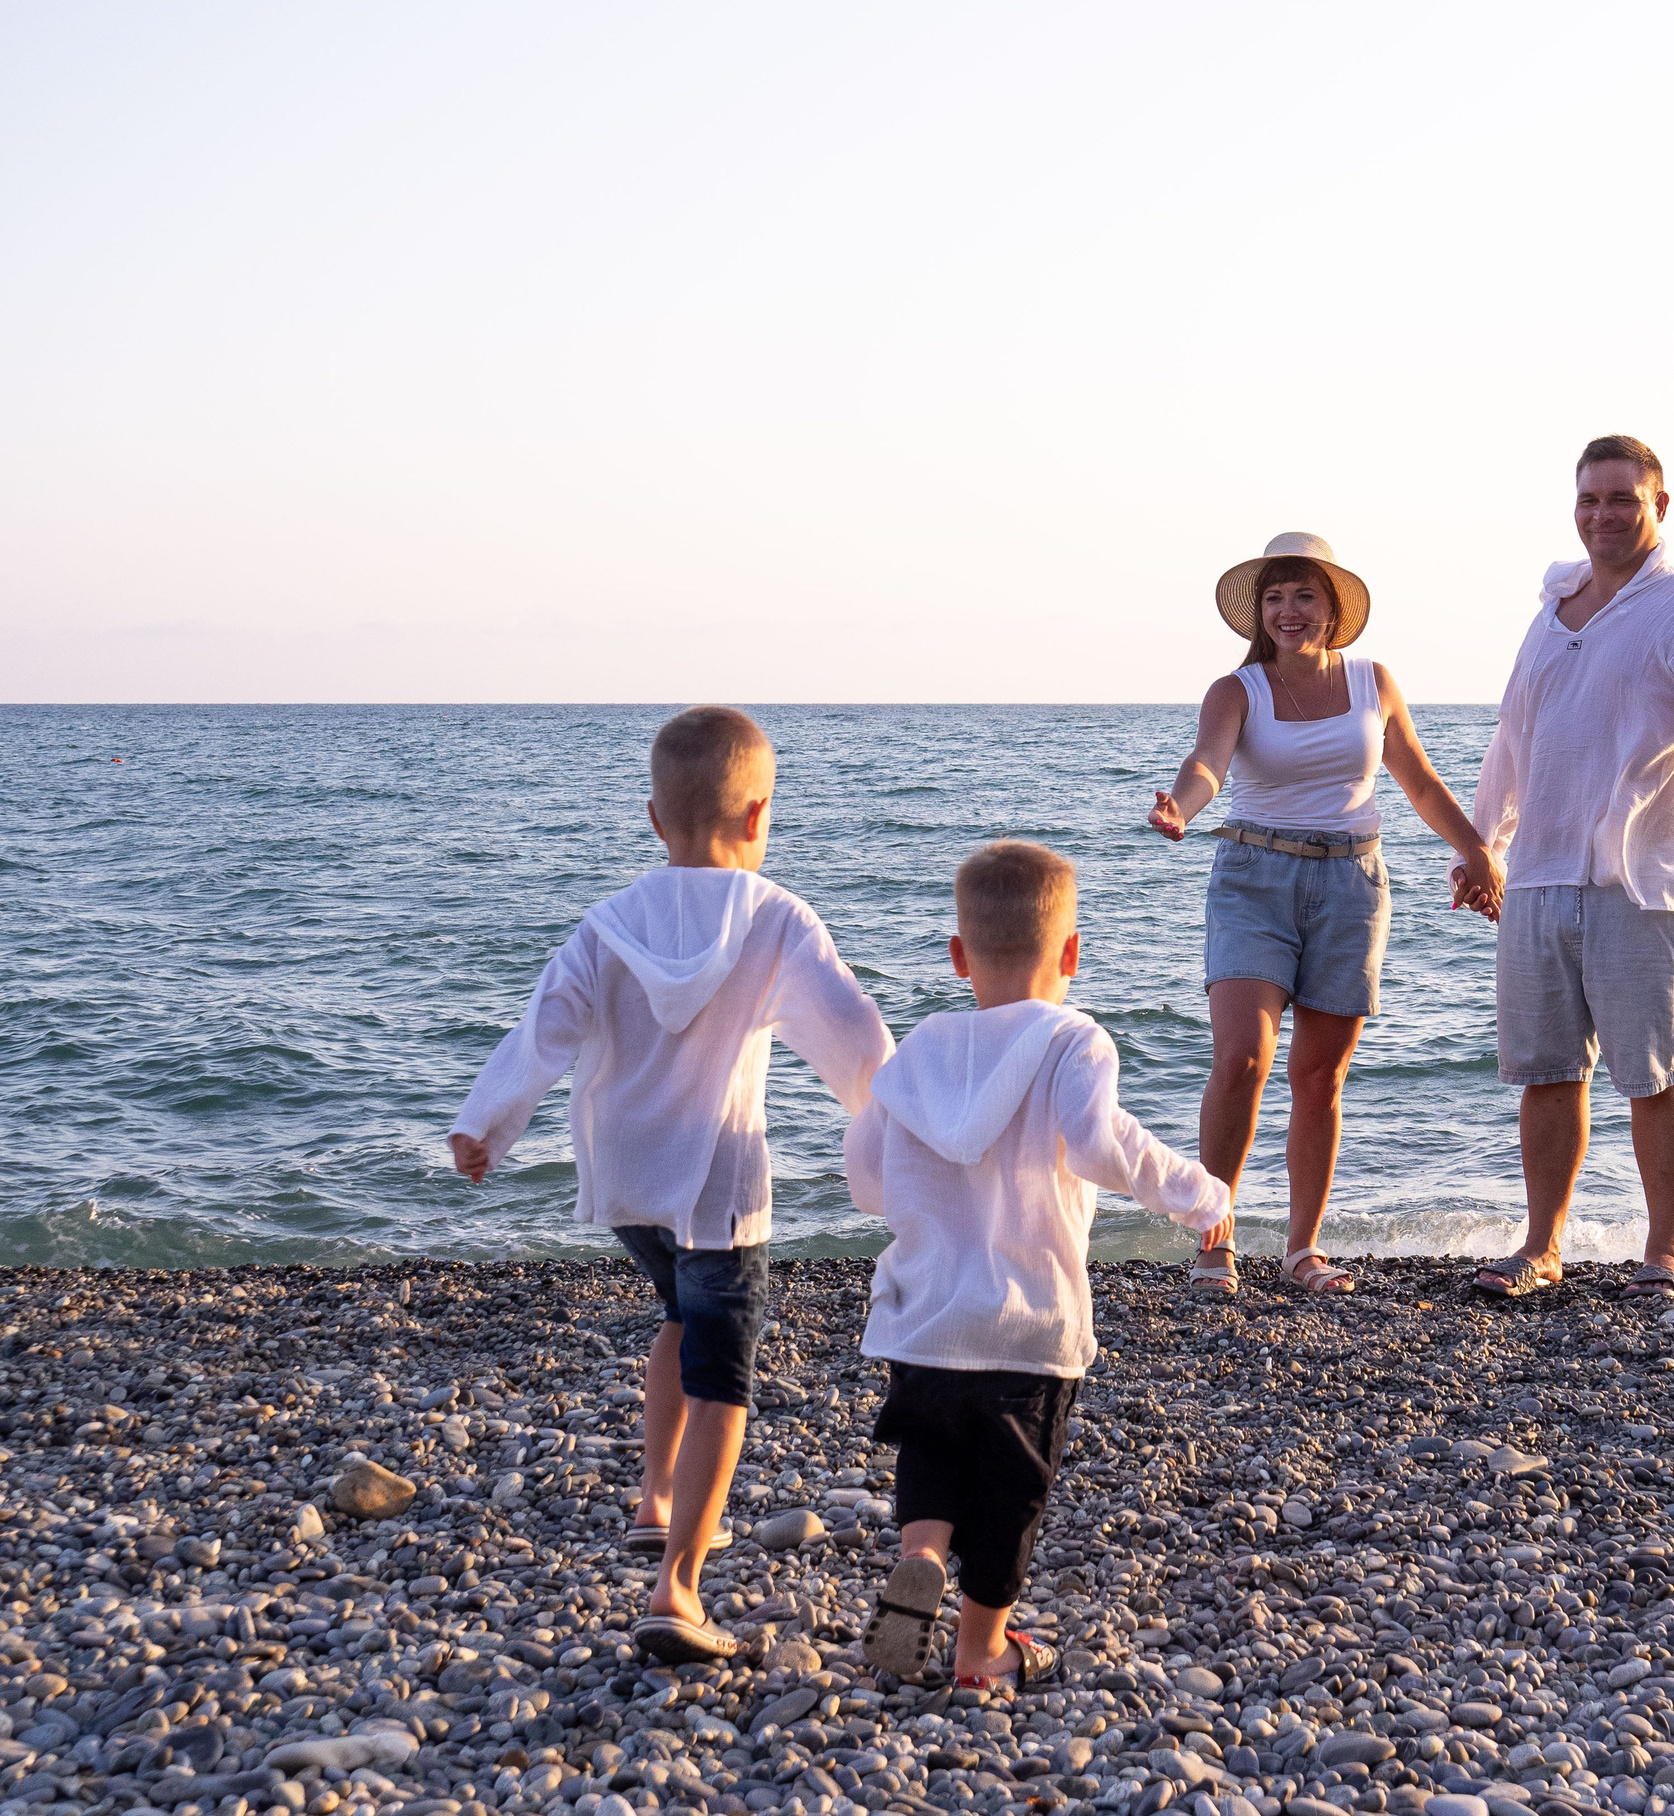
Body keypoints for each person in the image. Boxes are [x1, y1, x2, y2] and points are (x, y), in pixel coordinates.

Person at [446, 705, 892, 1664]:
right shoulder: (775, 919)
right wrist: (901, 1126)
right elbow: (853, 1039)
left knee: (681, 1322)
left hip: (629, 1177)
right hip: (720, 1181)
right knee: (724, 1378)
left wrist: (485, 1124)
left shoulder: (606, 926)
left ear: (655, 817)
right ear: (759, 814)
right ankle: (678, 1587)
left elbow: (545, 1032)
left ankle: (656, 1501)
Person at [845, 840, 1228, 1691]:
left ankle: (922, 1557)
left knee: (933, 1455)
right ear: (1072, 954)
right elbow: (1101, 1146)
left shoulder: (919, 1051)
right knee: (1012, 1491)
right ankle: (982, 1647)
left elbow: (865, 1176)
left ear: (957, 958)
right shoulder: (1074, 1040)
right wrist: (1201, 1194)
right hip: (1029, 1324)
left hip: (924, 1317)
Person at [1148, 533, 1501, 1297]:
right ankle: (1215, 1240)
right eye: (1274, 598)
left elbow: (1418, 780)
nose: (1288, 611)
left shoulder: (1375, 681)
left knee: (1319, 1077)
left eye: (1304, 595)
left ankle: (1303, 1249)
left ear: (1334, 608)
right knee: (1242, 1059)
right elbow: (1207, 763)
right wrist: (1181, 803)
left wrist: (1478, 849)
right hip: (1252, 878)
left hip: (1352, 883)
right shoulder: (1238, 690)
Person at [1463, 437, 1674, 1302]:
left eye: (1623, 500)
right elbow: (1513, 739)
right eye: (1590, 499)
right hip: (1539, 873)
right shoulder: (1552, 609)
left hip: (1641, 875)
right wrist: (1483, 844)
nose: (1603, 515)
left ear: (1659, 508)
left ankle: (1665, 1254)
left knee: (1652, 1070)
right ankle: (1541, 1248)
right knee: (1547, 1072)